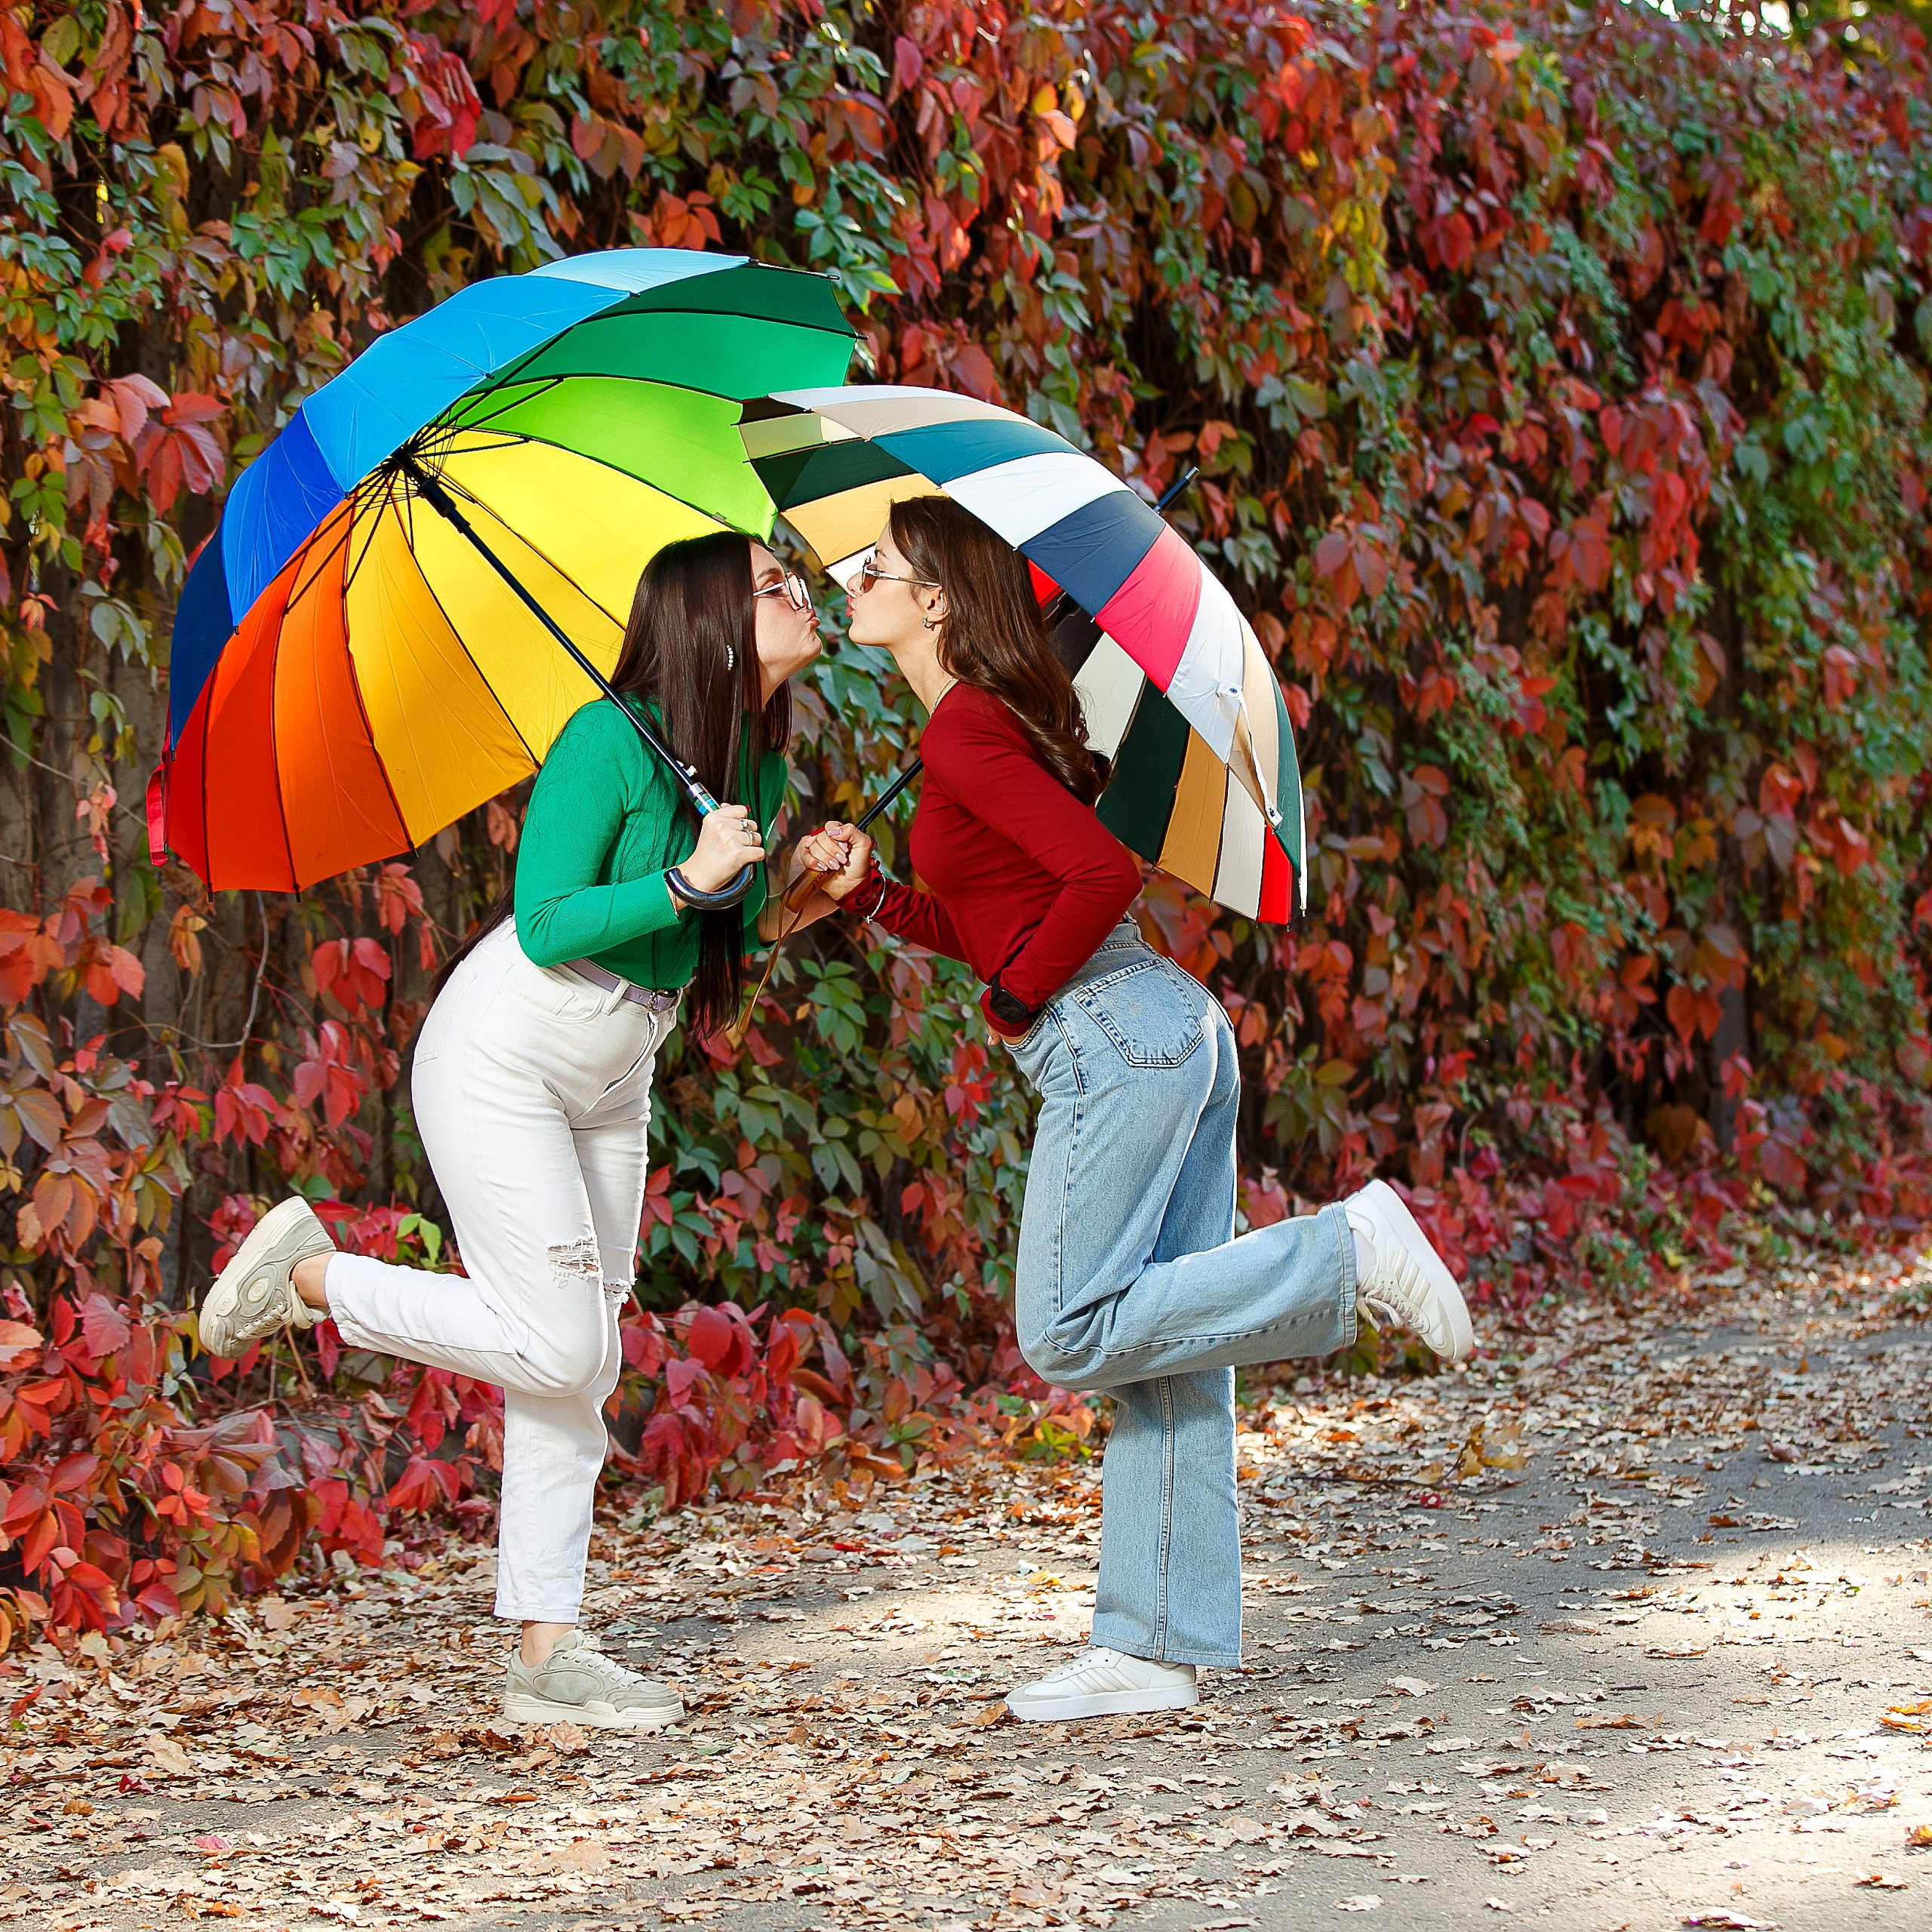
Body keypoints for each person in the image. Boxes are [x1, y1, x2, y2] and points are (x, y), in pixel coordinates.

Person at [798, 497, 1474, 1723]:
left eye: (872, 567)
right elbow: (988, 911)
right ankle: (1154, 1646)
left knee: (1067, 1329)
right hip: (1165, 1029)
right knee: (1168, 1350)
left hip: (1118, 1037)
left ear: (937, 597)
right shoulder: (976, 723)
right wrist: (872, 898)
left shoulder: (963, 731)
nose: (849, 581)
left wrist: (1012, 1000)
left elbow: (1100, 875)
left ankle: (1348, 1245)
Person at [196, 532, 839, 1730]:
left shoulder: (747, 756)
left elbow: (712, 955)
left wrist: (791, 891)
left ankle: (548, 1654)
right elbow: (547, 921)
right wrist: (690, 883)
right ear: (706, 617)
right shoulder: (609, 738)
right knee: (554, 1346)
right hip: (508, 1045)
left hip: (616, 1068)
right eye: (770, 582)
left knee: (581, 1356)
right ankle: (313, 1276)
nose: (800, 593)